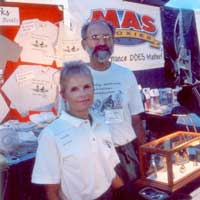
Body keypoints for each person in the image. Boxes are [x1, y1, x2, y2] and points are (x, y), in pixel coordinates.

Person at [32, 61, 123, 200]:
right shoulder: (51, 135)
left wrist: (126, 193)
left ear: (94, 89)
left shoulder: (102, 124)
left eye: (87, 87)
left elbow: (109, 170)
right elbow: (52, 192)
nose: (83, 94)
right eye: (74, 89)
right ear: (63, 95)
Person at [81, 20, 145, 184]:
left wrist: (144, 152)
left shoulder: (125, 75)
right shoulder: (75, 78)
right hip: (91, 157)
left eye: (107, 37)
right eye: (95, 37)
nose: (102, 42)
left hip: (126, 154)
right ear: (84, 43)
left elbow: (136, 119)